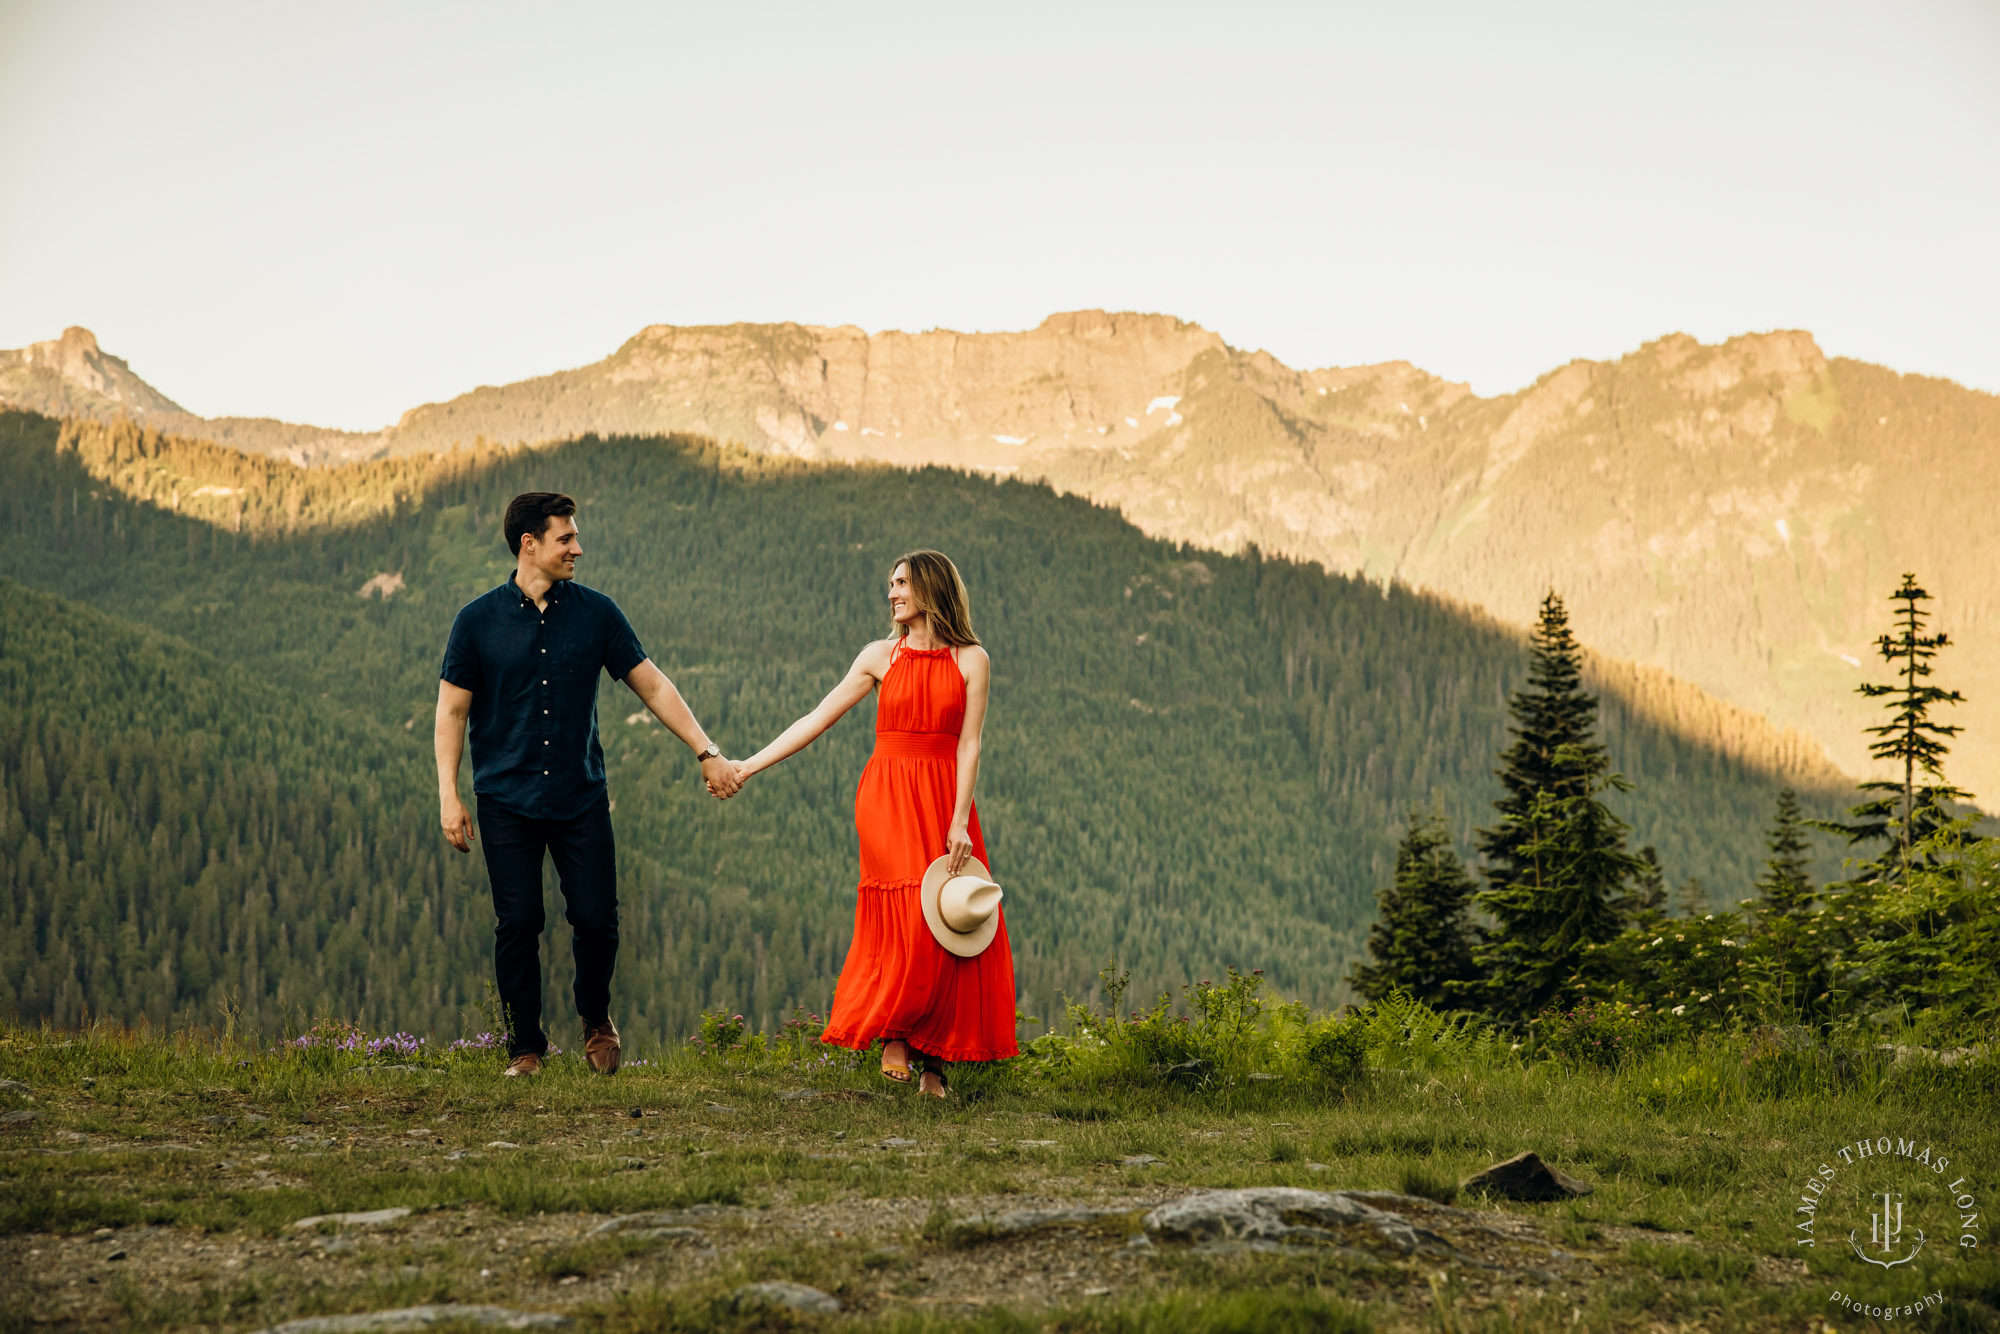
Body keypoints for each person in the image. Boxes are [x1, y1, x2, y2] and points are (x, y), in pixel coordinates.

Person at [435, 491, 741, 1077]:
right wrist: (449, 795)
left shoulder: (597, 613)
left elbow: (652, 685)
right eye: (565, 538)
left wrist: (706, 750)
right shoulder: (475, 622)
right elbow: (451, 714)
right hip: (505, 800)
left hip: (580, 796)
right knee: (518, 923)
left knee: (598, 918)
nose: (578, 547)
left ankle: (595, 1019)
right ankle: (525, 1048)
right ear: (530, 544)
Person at [732, 549, 1017, 1098]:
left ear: (930, 589)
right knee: (905, 914)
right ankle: (894, 1036)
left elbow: (971, 742)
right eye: (890, 584)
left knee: (947, 923)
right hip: (886, 795)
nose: (891, 593)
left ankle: (934, 1062)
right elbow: (817, 717)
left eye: (902, 584)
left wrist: (960, 819)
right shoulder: (880, 656)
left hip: (946, 800)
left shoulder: (972, 659)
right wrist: (748, 765)